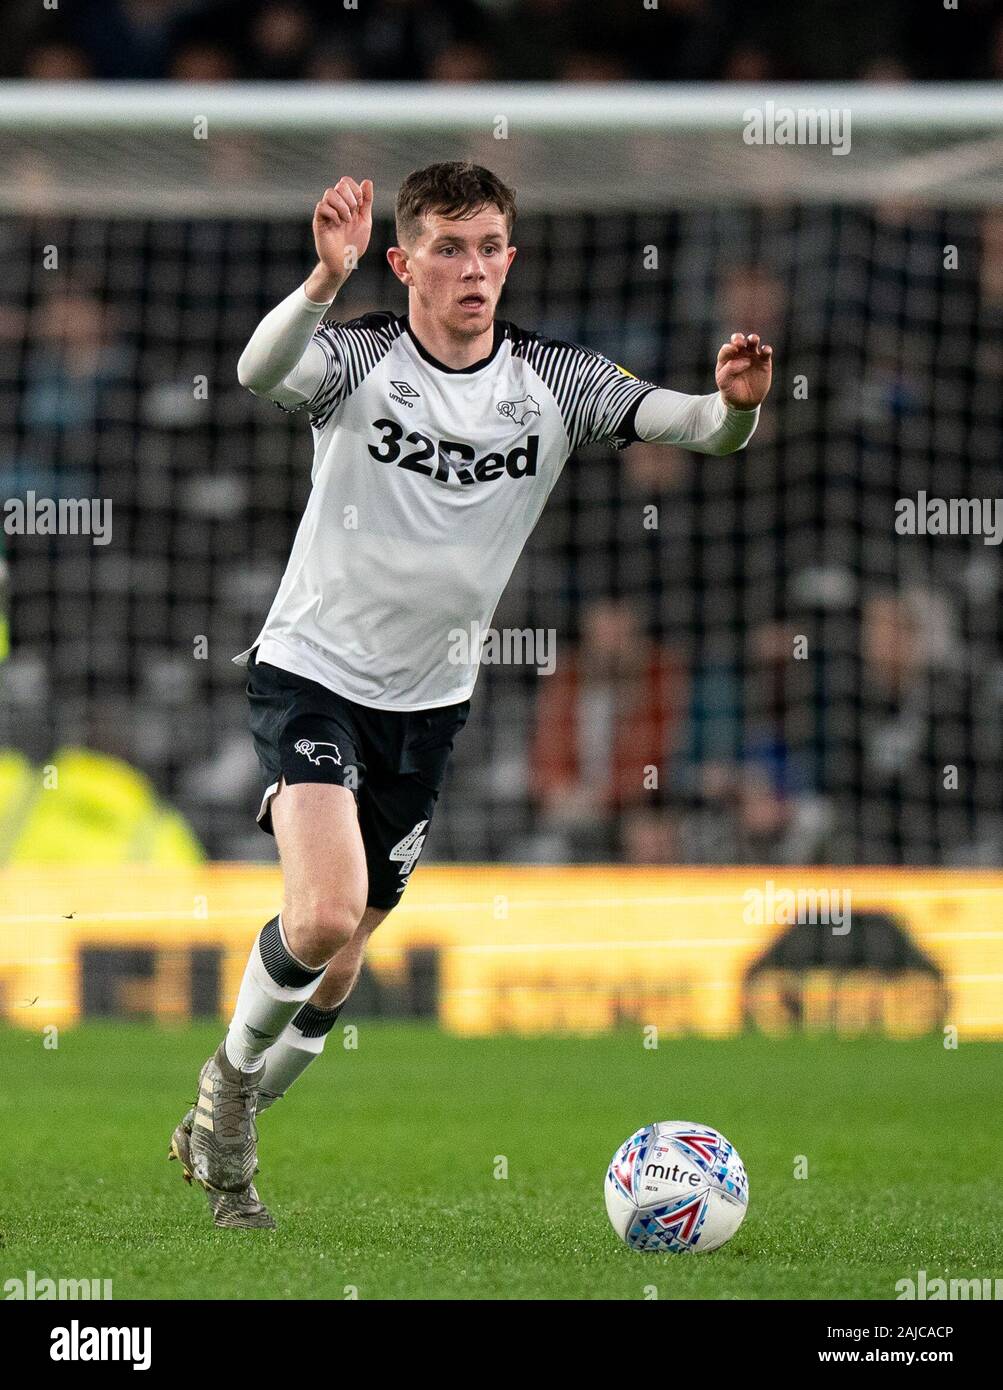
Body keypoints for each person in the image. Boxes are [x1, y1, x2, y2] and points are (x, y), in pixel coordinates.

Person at [168, 161, 773, 1227]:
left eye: (489, 247)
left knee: (345, 959)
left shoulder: (554, 381)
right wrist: (320, 277)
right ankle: (227, 1093)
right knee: (319, 916)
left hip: (431, 704)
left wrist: (735, 410)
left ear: (510, 257)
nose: (473, 269)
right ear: (404, 261)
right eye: (448, 248)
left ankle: (231, 1117)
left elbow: (693, 427)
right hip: (312, 668)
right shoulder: (359, 356)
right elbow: (260, 369)